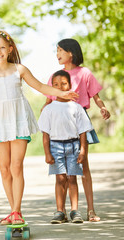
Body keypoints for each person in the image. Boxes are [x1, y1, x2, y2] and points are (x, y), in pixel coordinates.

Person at [0, 30, 79, 225]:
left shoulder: (19, 69)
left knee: (16, 166)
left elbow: (41, 87)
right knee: (4, 169)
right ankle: (14, 210)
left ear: (10, 49)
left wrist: (62, 94)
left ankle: (16, 212)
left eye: (2, 48)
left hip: (18, 120)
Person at [42, 38, 111, 222]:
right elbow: (50, 98)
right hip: (59, 122)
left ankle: (90, 210)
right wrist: (44, 110)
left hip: (79, 121)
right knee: (62, 173)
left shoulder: (85, 73)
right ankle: (62, 211)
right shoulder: (56, 75)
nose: (57, 54)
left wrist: (102, 107)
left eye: (59, 51)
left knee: (82, 168)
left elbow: (96, 97)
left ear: (70, 52)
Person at [38, 70, 93, 224]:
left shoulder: (76, 108)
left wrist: (82, 150)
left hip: (74, 145)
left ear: (70, 85)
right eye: (55, 85)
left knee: (72, 179)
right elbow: (45, 135)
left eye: (64, 84)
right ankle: (60, 211)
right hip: (55, 146)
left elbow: (82, 131)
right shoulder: (48, 109)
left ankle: (75, 211)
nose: (60, 87)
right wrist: (47, 153)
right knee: (60, 179)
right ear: (51, 88)